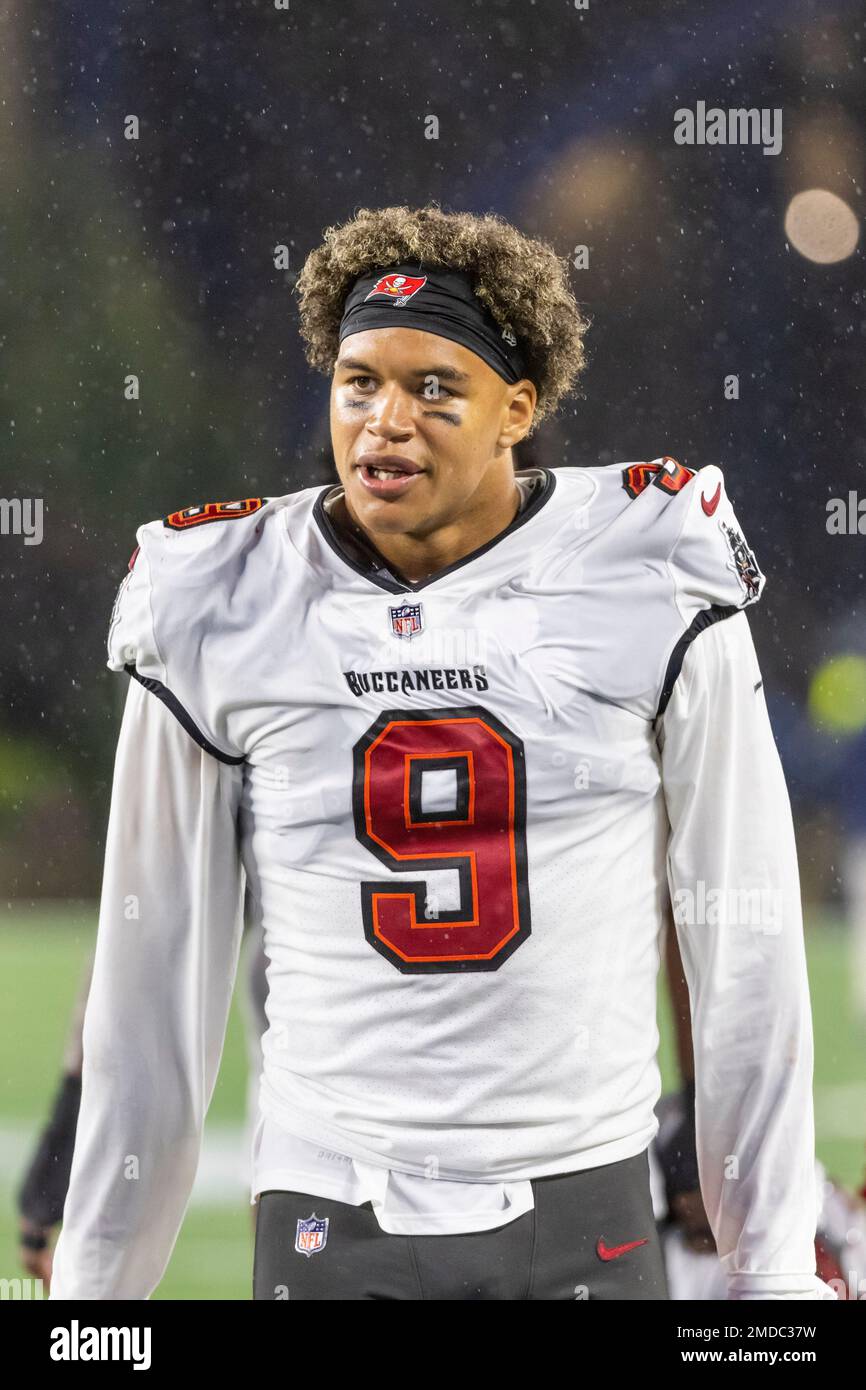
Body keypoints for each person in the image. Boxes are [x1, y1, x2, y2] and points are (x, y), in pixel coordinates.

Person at [50, 203, 835, 1300]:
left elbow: (742, 941)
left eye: (433, 388)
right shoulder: (218, 594)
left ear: (517, 407)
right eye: (359, 379)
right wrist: (95, 1301)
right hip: (329, 1197)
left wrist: (771, 1270)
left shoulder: (648, 565)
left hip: (581, 1199)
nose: (385, 420)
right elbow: (153, 983)